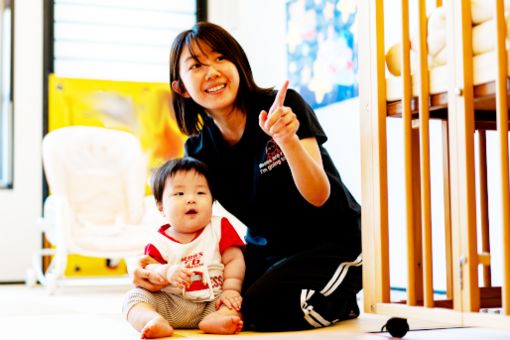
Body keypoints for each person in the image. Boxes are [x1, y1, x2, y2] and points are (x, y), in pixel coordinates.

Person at [132, 21, 362, 332]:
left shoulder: (282, 107)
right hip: (269, 251)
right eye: (196, 65)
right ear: (182, 87)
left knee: (260, 309)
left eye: (220, 58)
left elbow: (319, 195)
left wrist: (287, 140)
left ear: (237, 64)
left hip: (335, 239)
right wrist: (153, 263)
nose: (212, 71)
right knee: (218, 298)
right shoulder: (198, 149)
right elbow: (190, 219)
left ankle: (341, 301)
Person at [123, 157, 246, 338]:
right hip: (171, 303)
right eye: (179, 194)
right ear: (160, 206)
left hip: (212, 302)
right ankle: (153, 320)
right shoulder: (158, 241)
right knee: (134, 299)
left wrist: (231, 289)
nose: (191, 199)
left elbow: (234, 259)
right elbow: (150, 268)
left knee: (235, 305)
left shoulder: (219, 227)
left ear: (212, 200)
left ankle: (218, 320)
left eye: (200, 193)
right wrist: (167, 271)